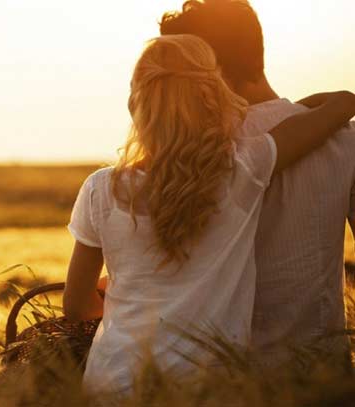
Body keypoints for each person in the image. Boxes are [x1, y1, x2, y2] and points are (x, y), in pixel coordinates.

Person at [62, 33, 355, 394]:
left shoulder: (100, 189)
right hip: (205, 389)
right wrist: (345, 99)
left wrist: (134, 307)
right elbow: (314, 119)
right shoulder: (243, 171)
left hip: (112, 385)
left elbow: (76, 307)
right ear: (214, 100)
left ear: (133, 104)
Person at [158, 0, 355, 367]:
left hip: (217, 376)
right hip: (323, 373)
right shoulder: (345, 139)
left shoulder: (194, 154)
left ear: (205, 69)